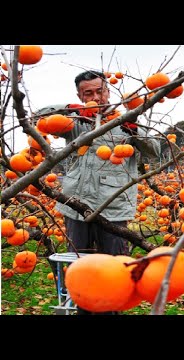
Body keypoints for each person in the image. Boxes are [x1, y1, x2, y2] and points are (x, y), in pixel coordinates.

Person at [37, 70, 163, 314]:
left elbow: (155, 151)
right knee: (80, 268)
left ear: (109, 91)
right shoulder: (75, 124)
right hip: (75, 206)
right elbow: (40, 116)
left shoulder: (126, 122)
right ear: (80, 96)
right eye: (88, 93)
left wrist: (133, 128)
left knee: (114, 271)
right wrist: (71, 108)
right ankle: (83, 308)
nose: (96, 96)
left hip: (113, 209)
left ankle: (111, 310)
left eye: (100, 91)